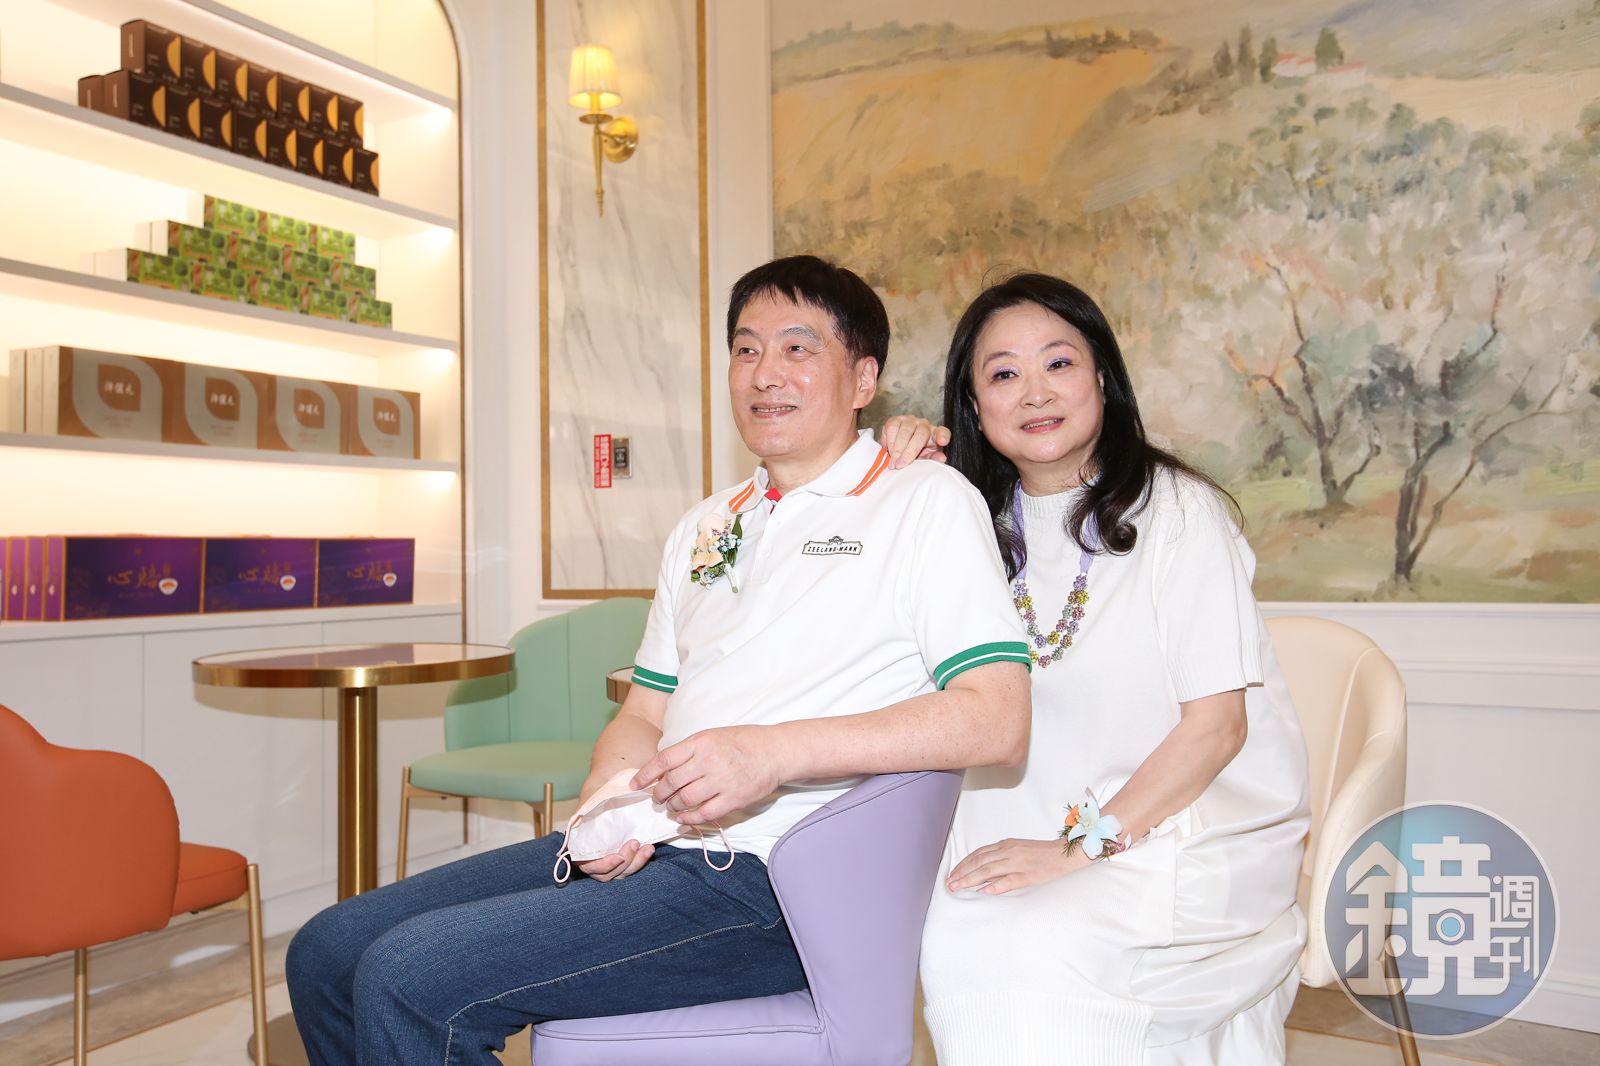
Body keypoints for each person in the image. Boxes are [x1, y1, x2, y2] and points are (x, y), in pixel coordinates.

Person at [284, 255, 1033, 1064]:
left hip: (778, 883)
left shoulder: (924, 501)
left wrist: (772, 754)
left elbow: (997, 718)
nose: (765, 374)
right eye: (745, 350)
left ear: (862, 379)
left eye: (798, 348)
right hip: (661, 851)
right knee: (328, 951)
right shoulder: (707, 524)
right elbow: (644, 712)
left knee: (410, 976)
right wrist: (605, 809)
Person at [893, 273, 1309, 1065]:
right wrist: (901, 473)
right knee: (955, 933)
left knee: (1033, 949)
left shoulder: (1178, 511)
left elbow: (1218, 729)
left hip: (1185, 828)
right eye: (1004, 374)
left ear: (1103, 380)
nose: (1035, 392)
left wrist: (1076, 850)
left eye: (1059, 363)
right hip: (1022, 817)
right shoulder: (969, 526)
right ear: (974, 407)